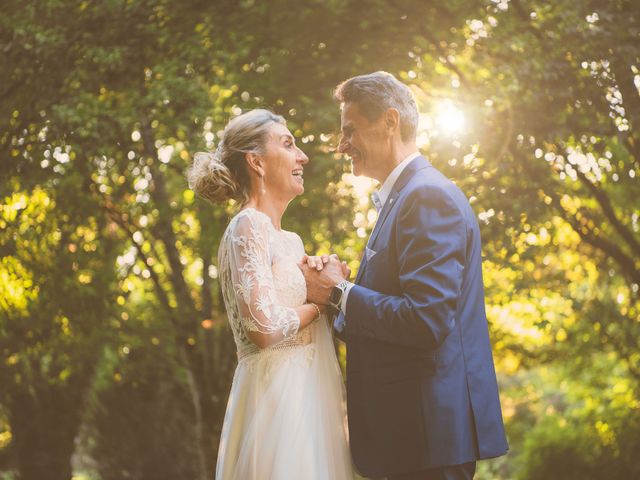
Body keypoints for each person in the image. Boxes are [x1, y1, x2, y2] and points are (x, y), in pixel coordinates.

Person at [301, 72, 508, 480]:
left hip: (425, 441)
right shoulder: (404, 198)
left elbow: (424, 321)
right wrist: (333, 296)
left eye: (350, 130)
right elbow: (388, 322)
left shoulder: (426, 196)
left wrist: (341, 292)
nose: (342, 145)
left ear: (390, 122)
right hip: (410, 439)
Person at [188, 109, 354, 480]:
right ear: (257, 162)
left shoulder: (291, 241)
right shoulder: (248, 225)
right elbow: (262, 326)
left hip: (311, 400)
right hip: (276, 402)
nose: (303, 157)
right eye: (288, 144)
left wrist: (331, 278)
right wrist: (318, 302)